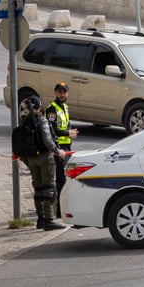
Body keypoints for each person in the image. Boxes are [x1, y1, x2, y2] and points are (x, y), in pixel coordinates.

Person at [18, 96, 67, 231]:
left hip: (31, 159)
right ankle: (49, 219)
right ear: (39, 107)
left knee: (38, 188)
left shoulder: (24, 123)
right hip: (45, 158)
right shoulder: (42, 121)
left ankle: (40, 219)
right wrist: (58, 151)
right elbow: (48, 141)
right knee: (49, 188)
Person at [45, 82, 79, 217]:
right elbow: (52, 129)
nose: (62, 94)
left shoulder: (65, 107)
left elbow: (67, 124)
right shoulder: (51, 109)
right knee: (60, 179)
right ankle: (59, 210)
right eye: (59, 92)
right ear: (55, 93)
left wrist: (71, 134)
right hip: (58, 148)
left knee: (66, 177)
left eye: (64, 92)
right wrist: (67, 133)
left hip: (66, 147)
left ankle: (63, 206)